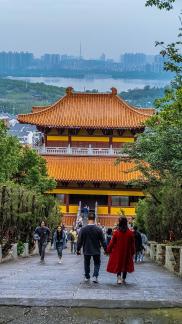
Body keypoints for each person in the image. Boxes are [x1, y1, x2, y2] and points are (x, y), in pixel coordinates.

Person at [77, 212, 107, 283]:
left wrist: (78, 249)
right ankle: (95, 276)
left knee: (86, 263)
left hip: (86, 249)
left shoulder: (83, 229)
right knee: (97, 263)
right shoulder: (98, 229)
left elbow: (79, 240)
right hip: (96, 249)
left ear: (88, 219)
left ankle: (87, 276)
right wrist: (106, 249)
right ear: (95, 219)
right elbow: (103, 241)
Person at [106, 217, 135, 284]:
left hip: (118, 252)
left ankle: (119, 278)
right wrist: (133, 252)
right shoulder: (130, 233)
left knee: (119, 264)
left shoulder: (116, 233)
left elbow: (112, 243)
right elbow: (132, 244)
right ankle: (124, 278)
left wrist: (108, 250)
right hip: (127, 251)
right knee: (125, 264)